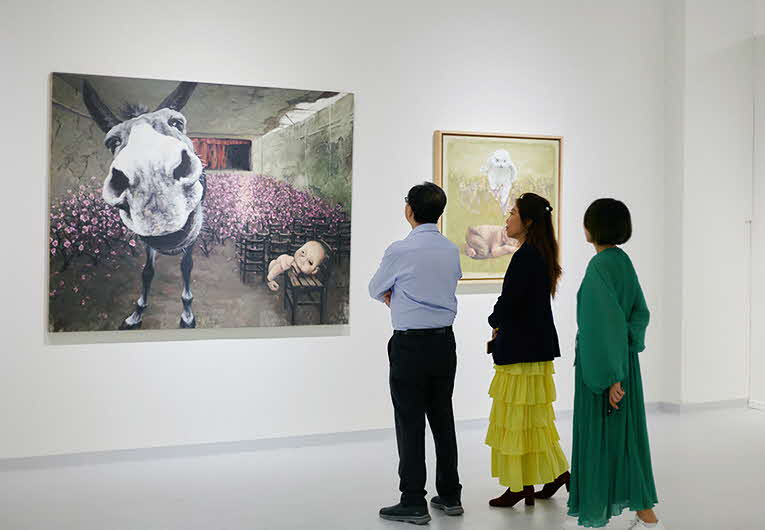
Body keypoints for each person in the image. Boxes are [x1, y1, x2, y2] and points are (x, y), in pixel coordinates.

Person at [369, 182, 463, 525]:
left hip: (410, 345)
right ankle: (451, 495)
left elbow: (374, 288)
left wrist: (394, 294)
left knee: (409, 422)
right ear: (440, 212)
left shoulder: (399, 250)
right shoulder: (451, 250)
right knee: (442, 417)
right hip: (444, 343)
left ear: (409, 210)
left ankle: (413, 500)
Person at [567, 198, 663, 529]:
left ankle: (599, 517)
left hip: (604, 373)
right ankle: (646, 516)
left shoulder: (599, 268)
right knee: (629, 441)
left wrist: (611, 378)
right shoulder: (623, 262)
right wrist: (626, 356)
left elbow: (599, 326)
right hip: (624, 365)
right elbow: (640, 313)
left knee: (599, 442)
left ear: (591, 229)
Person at [485, 192, 570, 508]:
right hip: (536, 347)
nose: (507, 218)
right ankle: (555, 473)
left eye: (513, 212)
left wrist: (493, 319)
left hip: (521, 348)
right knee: (535, 419)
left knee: (518, 419)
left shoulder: (525, 257)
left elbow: (509, 302)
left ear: (529, 221)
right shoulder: (539, 254)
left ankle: (521, 484)